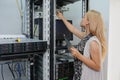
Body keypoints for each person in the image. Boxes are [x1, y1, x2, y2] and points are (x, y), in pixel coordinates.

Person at [56, 10, 107, 80]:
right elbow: (73, 29)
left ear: (88, 22)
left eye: (84, 17)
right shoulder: (86, 36)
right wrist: (62, 17)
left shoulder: (93, 42)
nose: (82, 19)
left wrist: (78, 55)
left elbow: (98, 66)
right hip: (79, 75)